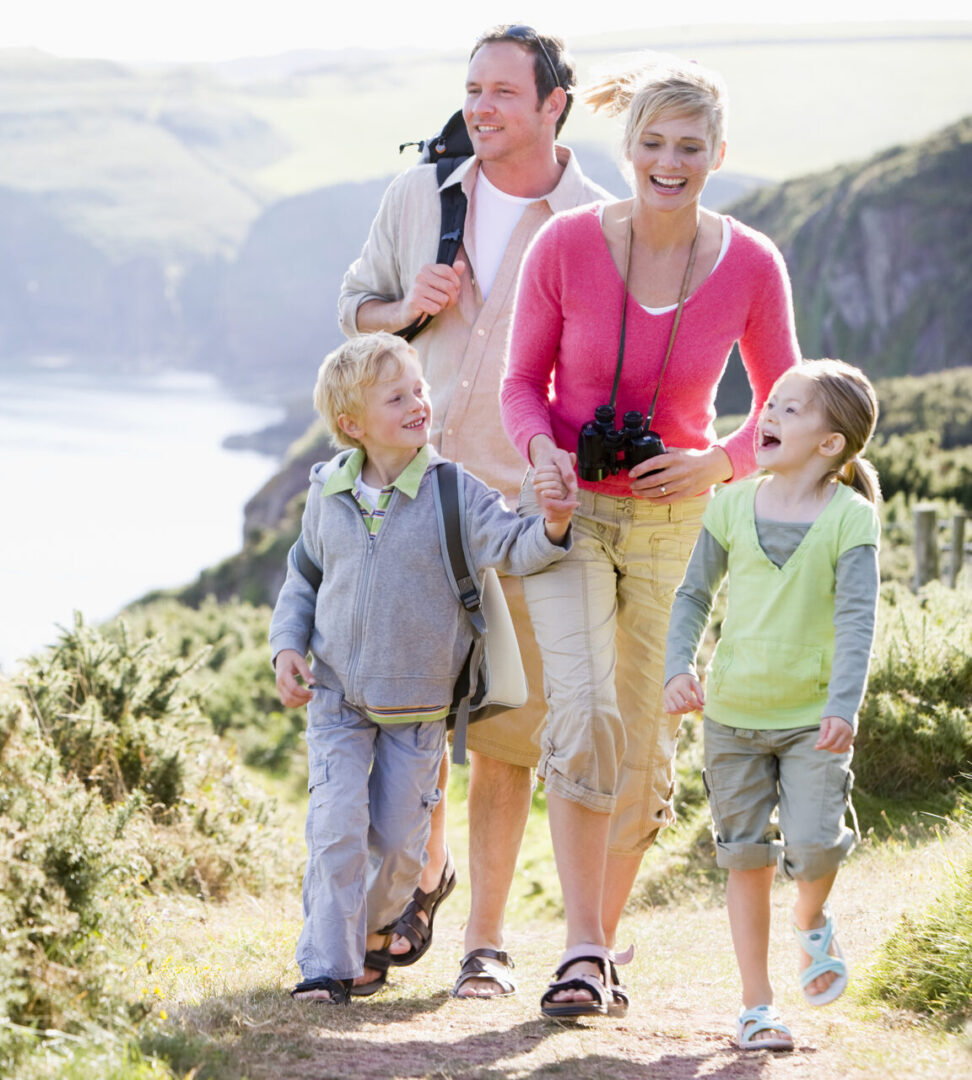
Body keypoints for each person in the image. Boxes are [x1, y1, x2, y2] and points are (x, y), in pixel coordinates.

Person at [499, 54, 800, 1017]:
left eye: (690, 147)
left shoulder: (752, 262)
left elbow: (786, 406)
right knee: (582, 713)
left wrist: (716, 461)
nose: (669, 162)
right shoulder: (566, 246)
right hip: (572, 513)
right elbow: (521, 387)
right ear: (626, 147)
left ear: (718, 154)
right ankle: (583, 950)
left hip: (682, 523)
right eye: (653, 144)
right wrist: (543, 452)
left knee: (641, 738)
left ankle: (601, 944)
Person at [336, 23, 611, 999]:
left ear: (553, 105)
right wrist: (404, 304)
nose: (480, 108)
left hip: (520, 511)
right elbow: (355, 311)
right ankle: (425, 872)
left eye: (502, 92)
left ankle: (483, 947)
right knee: (406, 718)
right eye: (472, 89)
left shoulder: (595, 224)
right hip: (410, 502)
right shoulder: (420, 196)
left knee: (503, 734)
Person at [270, 332, 577, 1003]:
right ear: (352, 425)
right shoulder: (329, 492)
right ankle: (326, 964)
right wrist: (287, 647)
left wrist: (552, 525)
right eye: (398, 396)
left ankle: (375, 936)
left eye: (419, 389)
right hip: (338, 699)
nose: (419, 401)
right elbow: (303, 577)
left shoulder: (452, 492)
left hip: (418, 711)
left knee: (401, 849)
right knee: (335, 828)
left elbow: (511, 543)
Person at [663, 360, 880, 1051]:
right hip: (731, 715)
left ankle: (811, 919)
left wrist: (844, 703)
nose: (770, 419)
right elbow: (694, 593)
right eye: (770, 406)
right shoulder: (730, 503)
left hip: (815, 719)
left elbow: (857, 621)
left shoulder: (851, 519)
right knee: (745, 858)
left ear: (831, 444)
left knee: (815, 848)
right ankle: (757, 1005)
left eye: (791, 410)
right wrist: (679, 666)